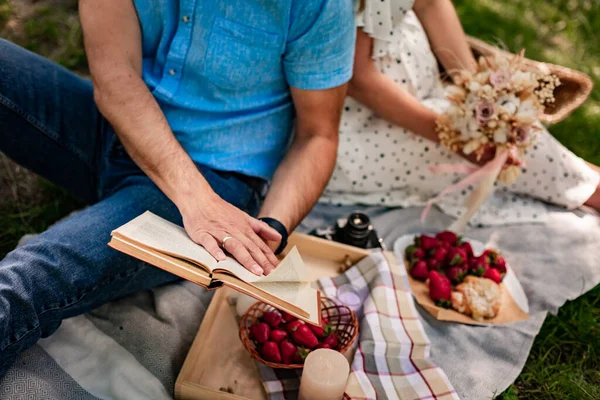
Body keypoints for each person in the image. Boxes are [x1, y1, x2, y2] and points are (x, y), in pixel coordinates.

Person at [0, 0, 355, 375]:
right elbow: (115, 75)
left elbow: (317, 137)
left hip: (219, 179)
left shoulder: (320, 5)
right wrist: (196, 201)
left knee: (28, 281)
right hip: (116, 125)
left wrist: (271, 230)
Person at [321, 0, 600, 226]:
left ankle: (587, 185)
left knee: (517, 138)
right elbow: (359, 79)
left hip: (423, 91)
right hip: (362, 124)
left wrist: (480, 95)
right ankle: (591, 189)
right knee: (522, 150)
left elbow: (429, 4)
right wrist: (456, 137)